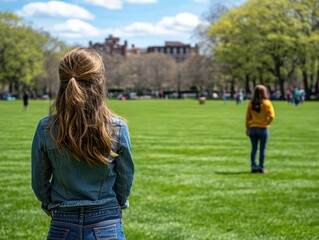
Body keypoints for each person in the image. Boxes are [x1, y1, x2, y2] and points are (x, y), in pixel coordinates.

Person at [31, 48, 134, 239]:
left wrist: (50, 204)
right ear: (99, 82)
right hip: (107, 222)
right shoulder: (117, 127)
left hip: (62, 222)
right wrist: (117, 203)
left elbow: (39, 182)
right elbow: (125, 179)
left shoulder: (46, 128)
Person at [245, 85, 275, 173]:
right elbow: (272, 116)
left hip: (253, 128)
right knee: (262, 149)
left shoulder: (251, 103)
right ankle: (261, 167)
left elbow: (247, 117)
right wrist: (267, 123)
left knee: (254, 148)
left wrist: (247, 127)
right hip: (263, 128)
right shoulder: (267, 103)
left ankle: (253, 166)